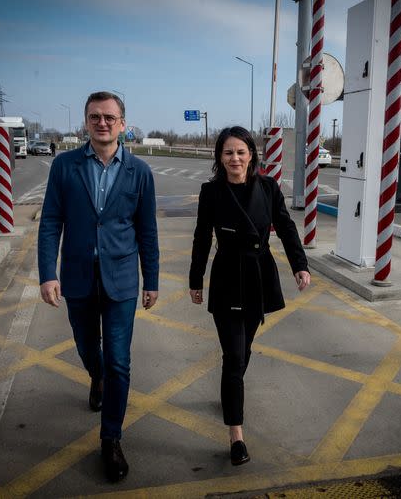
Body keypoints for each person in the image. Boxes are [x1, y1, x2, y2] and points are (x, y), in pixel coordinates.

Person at [38, 91, 159, 483]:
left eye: (109, 117)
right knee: (90, 349)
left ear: (123, 124)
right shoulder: (64, 166)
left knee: (120, 361)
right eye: (95, 117)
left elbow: (147, 230)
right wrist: (47, 273)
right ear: (85, 123)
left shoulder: (139, 172)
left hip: (122, 280)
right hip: (77, 278)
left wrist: (151, 279)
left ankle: (111, 440)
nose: (102, 123)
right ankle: (96, 374)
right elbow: (51, 221)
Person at [188, 126, 311, 466]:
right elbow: (201, 237)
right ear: (220, 158)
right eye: (228, 153)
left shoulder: (269, 188)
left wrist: (300, 266)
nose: (235, 158)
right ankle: (236, 435)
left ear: (252, 156)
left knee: (244, 350)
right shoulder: (211, 193)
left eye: (241, 152)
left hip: (258, 276)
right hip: (227, 275)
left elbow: (286, 228)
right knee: (234, 356)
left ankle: (231, 394)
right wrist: (195, 280)